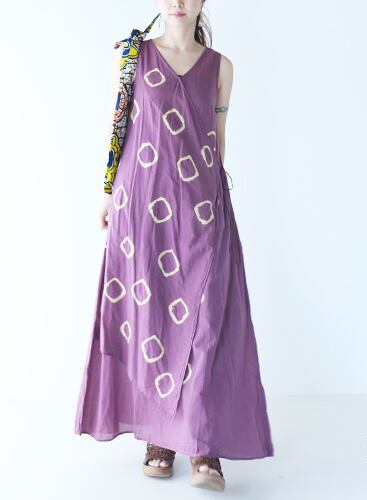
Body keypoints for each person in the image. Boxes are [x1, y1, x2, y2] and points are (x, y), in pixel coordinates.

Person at [74, 0, 274, 492]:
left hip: (202, 207)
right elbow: (117, 128)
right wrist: (107, 194)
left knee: (206, 328)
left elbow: (217, 137)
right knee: (151, 318)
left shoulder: (221, 67)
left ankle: (202, 444)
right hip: (141, 205)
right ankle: (158, 438)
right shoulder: (132, 57)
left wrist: (215, 198)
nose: (178, 2)